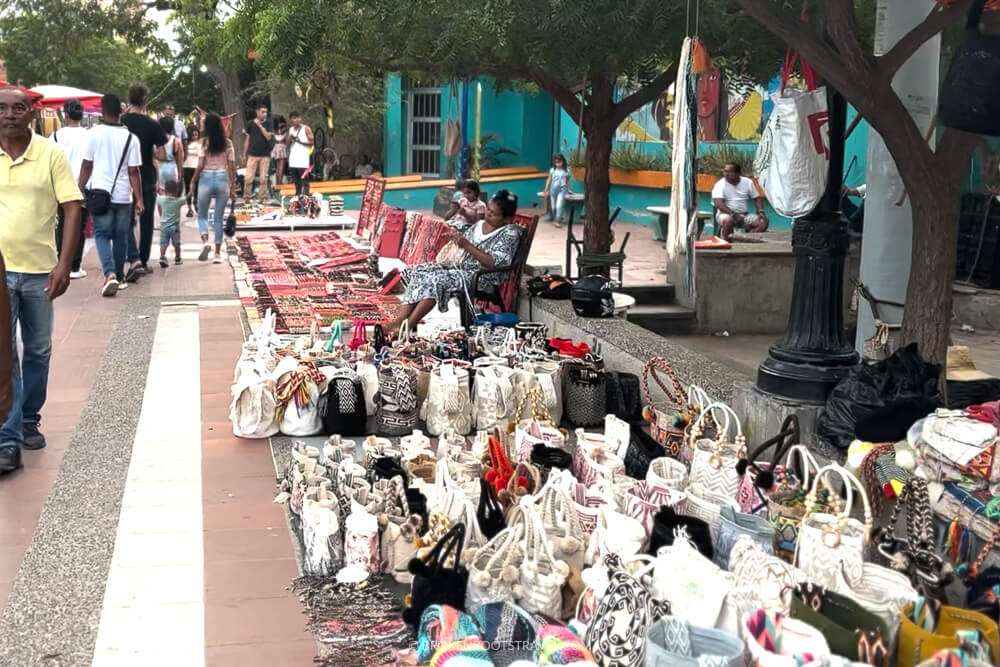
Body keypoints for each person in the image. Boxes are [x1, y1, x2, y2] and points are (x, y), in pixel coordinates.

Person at [0, 84, 83, 464]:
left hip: (39, 271)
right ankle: (9, 434)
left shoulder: (51, 154)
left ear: (31, 114)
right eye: (3, 109)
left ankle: (29, 419)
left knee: (37, 349)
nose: (10, 115)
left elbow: (71, 207)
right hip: (1, 271)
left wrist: (65, 263)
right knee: (5, 353)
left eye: (18, 109)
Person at [386, 189, 522, 336]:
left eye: (493, 213)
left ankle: (406, 327)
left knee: (436, 280)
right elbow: (463, 244)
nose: (488, 213)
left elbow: (494, 264)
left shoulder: (509, 233)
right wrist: (456, 238)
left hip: (482, 276)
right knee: (420, 271)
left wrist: (467, 245)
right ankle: (400, 321)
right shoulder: (479, 225)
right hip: (461, 268)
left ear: (506, 218)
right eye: (488, 209)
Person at [77, 94, 143, 298]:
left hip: (99, 193)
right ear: (121, 111)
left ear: (102, 111)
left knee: (102, 234)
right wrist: (139, 198)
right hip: (124, 196)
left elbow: (87, 165)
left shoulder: (93, 134)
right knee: (121, 235)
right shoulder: (131, 138)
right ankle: (120, 277)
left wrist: (79, 188)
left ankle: (110, 274)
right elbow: (134, 172)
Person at [122, 83, 167, 280]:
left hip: (123, 176)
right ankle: (143, 258)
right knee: (147, 220)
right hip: (146, 175)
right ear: (145, 100)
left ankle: (132, 257)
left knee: (126, 219)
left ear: (130, 99)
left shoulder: (121, 121)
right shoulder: (152, 124)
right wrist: (150, 151)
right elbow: (163, 154)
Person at [50, 98, 89, 279]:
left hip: (60, 186)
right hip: (83, 186)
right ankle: (75, 265)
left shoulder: (56, 136)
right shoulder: (89, 135)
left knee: (61, 225)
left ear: (65, 115)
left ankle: (60, 261)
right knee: (79, 227)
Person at [193, 112, 236, 264]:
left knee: (202, 215)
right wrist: (233, 187)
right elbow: (232, 167)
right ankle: (217, 254)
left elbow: (199, 165)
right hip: (222, 178)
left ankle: (205, 241)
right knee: (218, 218)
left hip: (206, 178)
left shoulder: (203, 143)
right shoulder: (228, 143)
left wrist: (193, 181)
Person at [712, 162, 768, 241]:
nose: (726, 174)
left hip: (744, 215)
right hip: (726, 214)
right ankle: (728, 242)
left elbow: (757, 198)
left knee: (763, 222)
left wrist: (761, 211)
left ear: (738, 173)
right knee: (728, 221)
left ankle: (747, 238)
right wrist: (734, 215)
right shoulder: (720, 184)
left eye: (730, 172)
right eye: (725, 171)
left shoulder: (748, 182)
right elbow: (718, 203)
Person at [243, 104, 273, 203]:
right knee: (248, 178)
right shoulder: (250, 123)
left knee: (263, 179)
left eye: (266, 112)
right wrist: (244, 154)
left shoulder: (269, 123)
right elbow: (247, 139)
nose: (265, 114)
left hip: (265, 155)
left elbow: (268, 137)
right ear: (257, 112)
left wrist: (259, 125)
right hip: (252, 154)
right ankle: (246, 199)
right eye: (263, 111)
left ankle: (261, 200)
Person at [157, 179, 184, 268]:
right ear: (176, 191)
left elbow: (158, 199)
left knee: (163, 243)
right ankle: (177, 258)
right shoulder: (178, 201)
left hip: (164, 226)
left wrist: (160, 191)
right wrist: (191, 191)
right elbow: (185, 199)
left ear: (165, 190)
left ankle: (162, 256)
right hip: (175, 227)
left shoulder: (161, 199)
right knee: (177, 244)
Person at [287, 112, 313, 196]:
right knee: (296, 181)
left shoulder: (306, 128)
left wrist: (300, 142)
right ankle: (297, 197)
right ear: (290, 120)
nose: (295, 120)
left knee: (305, 181)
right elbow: (287, 145)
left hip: (303, 160)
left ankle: (306, 198)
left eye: (296, 118)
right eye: (293, 118)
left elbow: (311, 142)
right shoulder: (291, 129)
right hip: (293, 160)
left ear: (300, 118)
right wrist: (290, 138)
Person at [155, 116, 184, 191]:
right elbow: (180, 160)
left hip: (160, 169)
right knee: (172, 194)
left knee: (160, 196)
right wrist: (180, 174)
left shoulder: (156, 139)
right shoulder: (176, 141)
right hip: (172, 170)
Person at [542, 153, 571, 227]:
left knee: (559, 206)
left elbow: (567, 181)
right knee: (554, 207)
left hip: (562, 190)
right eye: (556, 162)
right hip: (553, 190)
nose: (558, 164)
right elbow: (549, 179)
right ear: (554, 163)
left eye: (559, 162)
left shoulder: (566, 171)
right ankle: (555, 219)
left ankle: (557, 221)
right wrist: (546, 189)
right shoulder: (552, 170)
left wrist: (568, 190)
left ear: (563, 161)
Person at [182, 124, 201, 218]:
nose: (195, 137)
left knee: (197, 187)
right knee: (187, 188)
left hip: (196, 168)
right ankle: (189, 208)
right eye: (193, 135)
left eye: (196, 135)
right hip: (186, 167)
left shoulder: (200, 144)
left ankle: (196, 203)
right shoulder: (185, 144)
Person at [271, 115, 288, 191]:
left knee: (278, 169)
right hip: (281, 147)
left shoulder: (274, 129)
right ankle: (279, 186)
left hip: (276, 147)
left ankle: (278, 185)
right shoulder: (284, 129)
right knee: (280, 169)